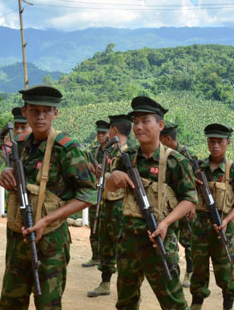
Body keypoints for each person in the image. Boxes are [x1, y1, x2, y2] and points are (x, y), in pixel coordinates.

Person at [0, 85, 96, 309]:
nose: (40, 116)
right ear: (25, 112)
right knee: (10, 302)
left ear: (55, 113)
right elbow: (10, 174)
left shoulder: (67, 149)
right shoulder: (20, 146)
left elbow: (89, 194)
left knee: (48, 304)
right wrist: (3, 173)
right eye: (34, 110)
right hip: (18, 237)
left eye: (46, 111)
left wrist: (47, 220)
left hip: (50, 240)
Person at [106, 96, 196, 309]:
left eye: (145, 121)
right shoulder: (126, 158)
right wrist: (112, 178)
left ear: (160, 125)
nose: (139, 127)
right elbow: (110, 188)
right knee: (126, 302)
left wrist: (165, 223)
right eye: (136, 122)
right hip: (128, 240)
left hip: (159, 242)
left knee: (173, 303)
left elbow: (190, 199)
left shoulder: (176, 162)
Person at [189, 124, 234, 310]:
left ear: (228, 143)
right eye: (211, 141)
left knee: (225, 272)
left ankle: (227, 306)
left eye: (219, 142)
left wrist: (226, 220)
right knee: (198, 269)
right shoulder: (197, 169)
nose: (215, 145)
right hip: (199, 227)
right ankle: (196, 304)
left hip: (223, 227)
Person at [87, 114, 130, 297]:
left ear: (114, 130)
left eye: (109, 129)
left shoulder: (129, 155)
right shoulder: (110, 152)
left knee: (122, 245)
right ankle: (105, 282)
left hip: (121, 205)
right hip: (106, 202)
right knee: (105, 242)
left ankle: (127, 286)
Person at [159, 122, 196, 288]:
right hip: (170, 204)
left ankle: (190, 271)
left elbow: (197, 184)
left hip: (185, 204)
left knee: (188, 240)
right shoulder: (163, 155)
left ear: (167, 138)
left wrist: (192, 206)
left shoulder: (185, 156)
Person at [82, 119, 109, 268]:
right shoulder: (96, 151)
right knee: (94, 224)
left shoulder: (112, 151)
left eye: (103, 133)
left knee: (108, 228)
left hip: (108, 194)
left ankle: (109, 259)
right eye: (98, 133)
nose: (100, 136)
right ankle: (96, 256)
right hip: (96, 191)